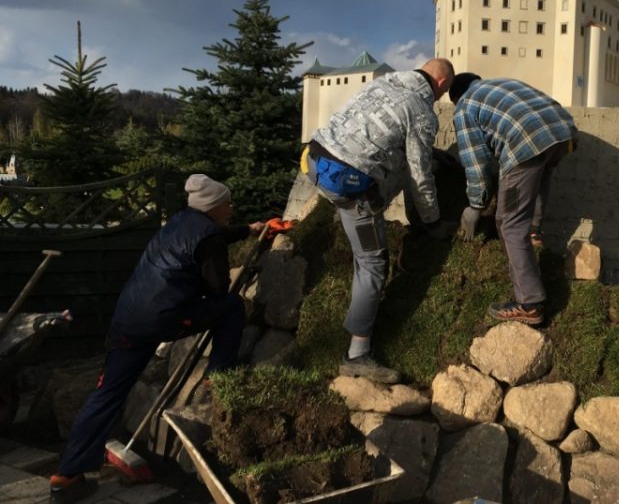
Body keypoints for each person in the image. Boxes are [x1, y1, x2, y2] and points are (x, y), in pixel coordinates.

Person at [49, 174, 264, 504]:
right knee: (231, 306)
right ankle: (218, 376)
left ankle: (66, 477)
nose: (231, 208)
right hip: (164, 319)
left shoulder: (181, 220)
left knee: (106, 394)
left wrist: (249, 229)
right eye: (227, 203)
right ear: (213, 206)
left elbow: (210, 237)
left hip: (127, 321)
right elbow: (217, 288)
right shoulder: (208, 238)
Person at [302, 58, 455, 384]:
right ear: (441, 85)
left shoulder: (381, 83)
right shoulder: (422, 112)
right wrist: (432, 221)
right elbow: (419, 178)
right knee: (372, 262)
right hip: (349, 184)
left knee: (394, 168)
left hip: (316, 161)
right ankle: (357, 354)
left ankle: (356, 209)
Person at [450, 74, 577, 326]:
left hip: (526, 142)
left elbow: (477, 163)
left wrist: (476, 206)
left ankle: (529, 304)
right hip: (564, 132)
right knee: (538, 178)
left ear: (455, 97)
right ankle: (533, 233)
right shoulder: (501, 84)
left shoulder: (464, 107)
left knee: (508, 223)